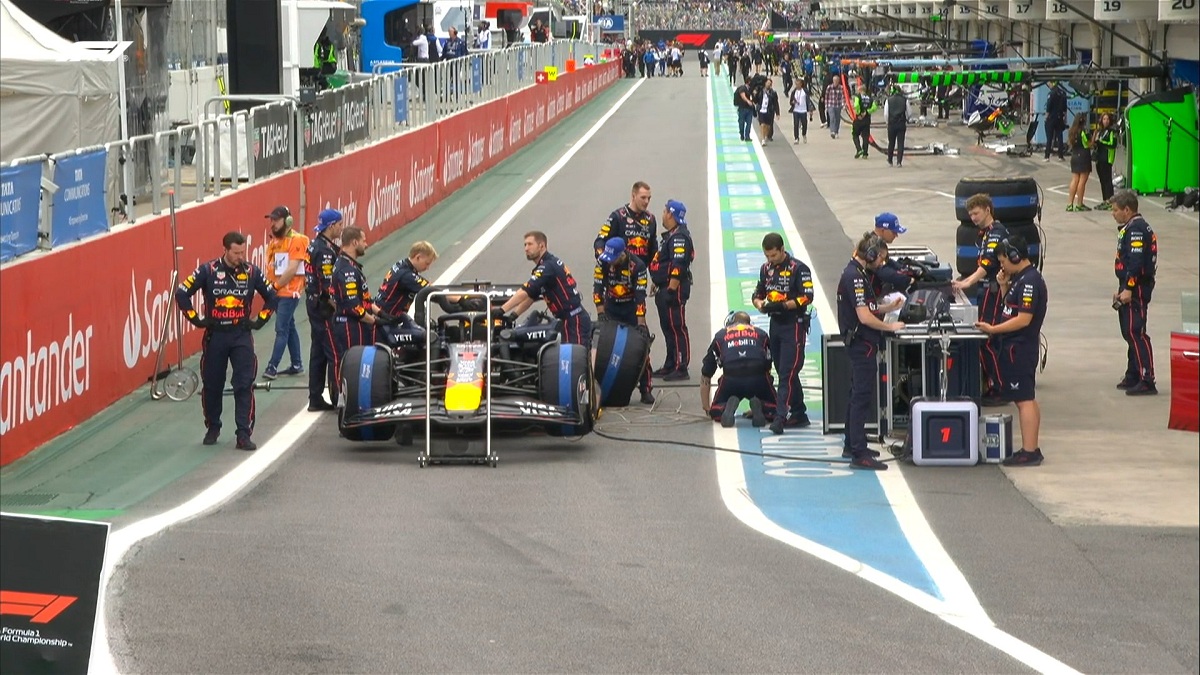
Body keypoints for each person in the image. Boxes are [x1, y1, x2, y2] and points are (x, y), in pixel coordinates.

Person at [175, 232, 278, 451]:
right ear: (226, 250)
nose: (241, 256)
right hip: (216, 336)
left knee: (244, 384)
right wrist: (196, 319)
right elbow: (182, 293)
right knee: (212, 385)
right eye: (236, 253)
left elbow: (273, 297)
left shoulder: (251, 272)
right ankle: (213, 426)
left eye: (243, 252)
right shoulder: (208, 270)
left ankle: (243, 434)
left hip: (241, 334)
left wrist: (259, 321)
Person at [973, 236, 1048, 466]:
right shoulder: (1019, 279)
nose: (1002, 265)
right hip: (1016, 347)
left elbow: (1023, 319)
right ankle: (1030, 447)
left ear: (1015, 256)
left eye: (1004, 260)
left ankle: (1029, 451)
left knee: (1024, 399)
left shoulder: (1030, 282)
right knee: (1025, 399)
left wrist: (993, 329)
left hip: (1020, 348)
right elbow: (1010, 307)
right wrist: (1004, 284)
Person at [836, 233, 906, 470]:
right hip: (861, 343)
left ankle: (851, 443)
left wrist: (889, 307)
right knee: (861, 397)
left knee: (856, 393)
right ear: (871, 255)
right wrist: (890, 325)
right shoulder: (855, 277)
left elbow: (868, 305)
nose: (882, 264)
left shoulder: (856, 273)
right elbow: (864, 316)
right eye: (881, 259)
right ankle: (858, 452)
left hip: (859, 342)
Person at [752, 233, 814, 434]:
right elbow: (758, 293)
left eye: (773, 256)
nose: (770, 260)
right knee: (782, 370)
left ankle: (780, 417)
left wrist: (785, 305)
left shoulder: (799, 268)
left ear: (781, 249)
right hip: (775, 324)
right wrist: (761, 305)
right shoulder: (765, 269)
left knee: (787, 372)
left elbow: (807, 297)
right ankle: (799, 412)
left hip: (793, 325)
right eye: (767, 256)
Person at [951, 194, 1009, 406]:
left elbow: (987, 264)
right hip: (988, 292)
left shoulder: (996, 233)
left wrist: (967, 283)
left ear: (987, 209)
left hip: (994, 292)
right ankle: (991, 383)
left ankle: (999, 387)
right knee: (985, 338)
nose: (973, 218)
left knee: (988, 339)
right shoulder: (985, 234)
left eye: (976, 213)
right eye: (970, 214)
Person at [500, 231, 592, 348]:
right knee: (568, 357)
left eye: (530, 244)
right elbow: (531, 296)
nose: (526, 249)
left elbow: (525, 291)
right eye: (525, 245)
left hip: (574, 319)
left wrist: (502, 310)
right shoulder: (544, 266)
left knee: (576, 359)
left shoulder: (547, 266)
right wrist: (513, 315)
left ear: (541, 246)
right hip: (567, 320)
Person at [594, 237, 654, 404]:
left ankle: (645, 389)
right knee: (601, 348)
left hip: (631, 309)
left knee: (644, 348)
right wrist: (600, 313)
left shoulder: (638, 266)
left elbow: (640, 297)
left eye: (613, 259)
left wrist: (641, 323)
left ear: (622, 254)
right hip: (611, 308)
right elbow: (597, 287)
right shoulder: (602, 261)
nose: (610, 262)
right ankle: (600, 388)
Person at [1109, 190, 1158, 395]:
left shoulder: (1136, 229)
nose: (1113, 214)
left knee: (1135, 331)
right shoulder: (1131, 227)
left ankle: (1147, 378)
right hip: (1129, 284)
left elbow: (1136, 262)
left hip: (1136, 286)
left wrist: (1128, 288)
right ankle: (1134, 373)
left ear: (1127, 210)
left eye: (1115, 210)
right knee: (1129, 331)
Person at [701, 311, 776, 428]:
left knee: (716, 410)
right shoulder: (761, 334)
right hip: (757, 376)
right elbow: (768, 364)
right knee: (776, 409)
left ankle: (723, 409)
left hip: (732, 378)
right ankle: (763, 407)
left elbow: (706, 373)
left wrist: (706, 406)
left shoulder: (720, 336)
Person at [649, 199, 695, 381]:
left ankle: (681, 366)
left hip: (673, 290)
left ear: (670, 214)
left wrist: (671, 288)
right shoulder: (671, 234)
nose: (662, 214)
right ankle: (671, 363)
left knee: (676, 327)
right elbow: (664, 262)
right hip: (664, 287)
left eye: (664, 211)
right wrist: (657, 282)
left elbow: (679, 264)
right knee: (667, 327)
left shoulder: (679, 237)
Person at [262, 206, 308, 381]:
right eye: (271, 220)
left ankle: (272, 367)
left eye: (276, 220)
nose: (272, 224)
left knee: (281, 328)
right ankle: (297, 364)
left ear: (287, 221)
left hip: (289, 293)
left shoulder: (298, 240)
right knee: (289, 326)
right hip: (277, 291)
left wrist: (274, 287)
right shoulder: (275, 242)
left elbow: (292, 269)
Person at [305, 209, 343, 412]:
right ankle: (339, 398)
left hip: (313, 304)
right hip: (324, 308)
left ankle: (315, 397)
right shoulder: (325, 251)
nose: (341, 228)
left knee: (318, 353)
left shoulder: (316, 244)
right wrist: (340, 307)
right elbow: (328, 284)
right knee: (335, 353)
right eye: (339, 224)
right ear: (331, 226)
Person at [330, 226, 379, 364]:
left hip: (352, 325)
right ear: (354, 243)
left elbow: (362, 300)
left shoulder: (348, 265)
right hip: (350, 327)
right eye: (363, 240)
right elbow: (353, 306)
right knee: (354, 367)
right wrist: (374, 321)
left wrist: (380, 313)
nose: (366, 244)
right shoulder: (347, 270)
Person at [595, 181, 658, 266]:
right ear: (633, 196)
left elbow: (653, 249)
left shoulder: (651, 219)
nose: (646, 201)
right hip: (617, 272)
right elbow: (599, 241)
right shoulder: (617, 216)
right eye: (643, 198)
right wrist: (604, 262)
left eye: (649, 198)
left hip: (639, 273)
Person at [870, 212, 914, 296]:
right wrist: (908, 280)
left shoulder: (877, 242)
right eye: (893, 232)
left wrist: (902, 268)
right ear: (883, 230)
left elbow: (887, 261)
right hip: (869, 296)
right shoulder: (872, 246)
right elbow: (882, 271)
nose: (896, 235)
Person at [1066, 114, 1093, 211]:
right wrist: (1094, 138)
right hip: (1083, 156)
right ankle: (1079, 204)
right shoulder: (1083, 131)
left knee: (1074, 180)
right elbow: (1089, 144)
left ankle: (1069, 204)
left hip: (1074, 156)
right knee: (1082, 181)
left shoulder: (1071, 131)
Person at [1093, 112, 1118, 209]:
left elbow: (1113, 144)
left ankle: (1110, 201)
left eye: (1107, 119)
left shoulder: (1112, 132)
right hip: (1099, 158)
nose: (1106, 121)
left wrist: (1101, 142)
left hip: (1107, 158)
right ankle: (1105, 200)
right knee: (1102, 180)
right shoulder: (1100, 131)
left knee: (1107, 180)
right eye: (1104, 119)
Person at [1043, 81, 1068, 161]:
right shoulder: (1063, 93)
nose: (1049, 85)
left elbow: (1048, 106)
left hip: (1051, 118)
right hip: (1059, 117)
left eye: (1049, 83)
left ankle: (1047, 156)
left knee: (1049, 137)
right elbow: (1065, 108)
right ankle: (1060, 156)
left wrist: (1046, 117)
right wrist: (1064, 119)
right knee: (1060, 136)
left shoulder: (1051, 93)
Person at [884, 85, 907, 167]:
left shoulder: (888, 100)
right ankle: (899, 161)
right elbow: (909, 112)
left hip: (892, 123)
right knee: (900, 143)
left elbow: (886, 113)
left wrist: (887, 122)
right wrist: (906, 119)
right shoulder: (904, 100)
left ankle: (890, 160)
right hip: (901, 123)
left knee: (891, 142)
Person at [851, 85, 875, 159]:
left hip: (859, 119)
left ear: (860, 90)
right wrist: (867, 112)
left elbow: (857, 105)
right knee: (865, 136)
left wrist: (858, 112)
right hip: (867, 120)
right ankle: (865, 153)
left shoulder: (858, 97)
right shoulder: (870, 98)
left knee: (855, 134)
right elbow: (874, 107)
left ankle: (859, 149)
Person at [757, 77, 780, 145]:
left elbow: (776, 103)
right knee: (762, 124)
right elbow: (756, 99)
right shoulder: (760, 91)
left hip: (769, 111)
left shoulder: (773, 93)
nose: (768, 85)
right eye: (767, 83)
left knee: (768, 126)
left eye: (770, 84)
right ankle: (763, 138)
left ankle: (766, 135)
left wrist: (777, 113)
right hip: (761, 110)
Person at [734, 76, 756, 142]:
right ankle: (742, 134)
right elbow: (743, 96)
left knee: (749, 123)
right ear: (748, 82)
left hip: (749, 109)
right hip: (742, 108)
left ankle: (747, 136)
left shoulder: (751, 89)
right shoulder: (743, 88)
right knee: (741, 122)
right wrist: (748, 101)